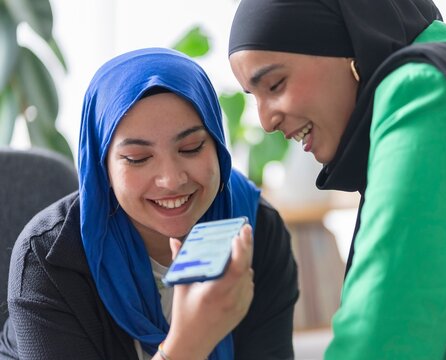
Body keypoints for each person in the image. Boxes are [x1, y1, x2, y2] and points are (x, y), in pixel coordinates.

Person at [228, 0, 446, 359]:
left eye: (275, 84)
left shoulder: (425, 91)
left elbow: (376, 340)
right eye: (255, 98)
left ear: (346, 43)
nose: (266, 122)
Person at [0, 47, 298, 360]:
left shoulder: (254, 226)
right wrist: (188, 343)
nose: (170, 180)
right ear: (104, 169)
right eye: (138, 158)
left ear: (218, 148)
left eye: (192, 148)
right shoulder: (49, 259)